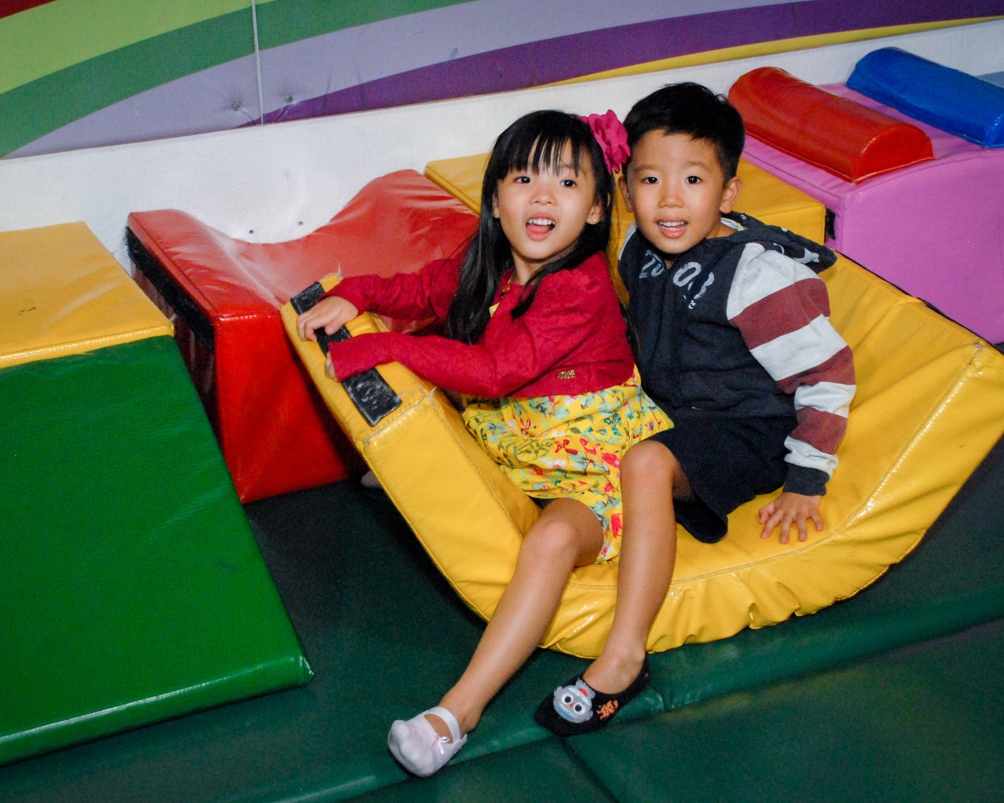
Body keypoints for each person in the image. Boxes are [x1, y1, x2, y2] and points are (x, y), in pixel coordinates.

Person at [296, 109, 670, 775]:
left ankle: (455, 713)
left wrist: (386, 345)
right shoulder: (489, 264)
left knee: (551, 540)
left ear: (593, 211)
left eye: (566, 182)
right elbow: (418, 288)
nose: (543, 196)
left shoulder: (579, 287)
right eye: (524, 177)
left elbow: (496, 370)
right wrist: (355, 293)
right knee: (438, 365)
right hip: (513, 445)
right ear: (496, 198)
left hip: (589, 466)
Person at [533, 82, 857, 735]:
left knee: (648, 463)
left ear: (728, 192)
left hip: (750, 429)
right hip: (674, 411)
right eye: (651, 179)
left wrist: (805, 480)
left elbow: (827, 374)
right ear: (626, 190)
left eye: (692, 179)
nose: (671, 199)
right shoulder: (638, 251)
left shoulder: (759, 276)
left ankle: (625, 657)